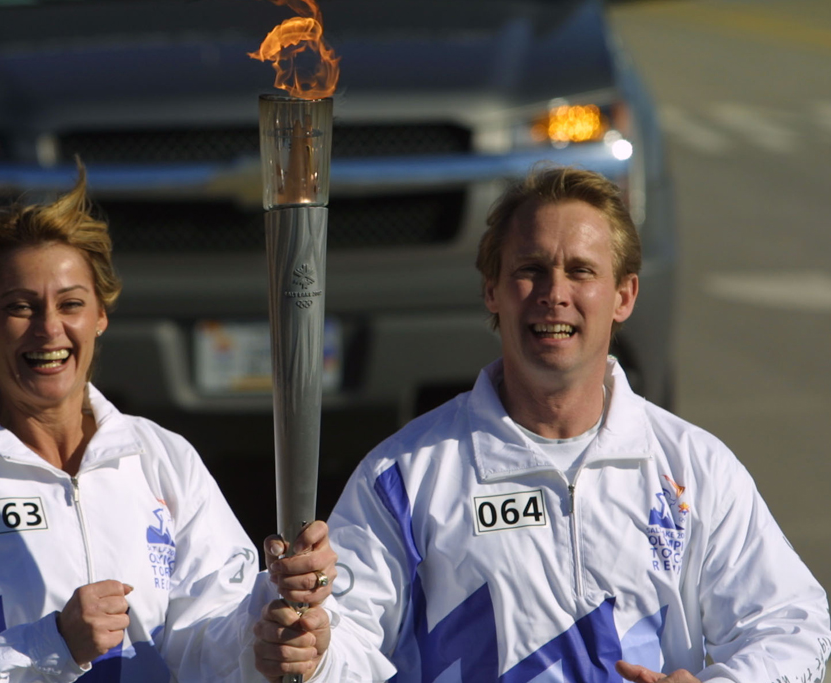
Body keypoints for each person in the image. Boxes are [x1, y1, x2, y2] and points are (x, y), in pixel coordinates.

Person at [260, 166, 831, 682]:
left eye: (581, 271)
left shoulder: (694, 469)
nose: (555, 294)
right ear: (493, 290)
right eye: (531, 270)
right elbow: (345, 638)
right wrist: (318, 649)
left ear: (624, 295)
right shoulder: (404, 475)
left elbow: (794, 626)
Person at [0, 166, 336, 683]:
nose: (49, 328)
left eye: (71, 304)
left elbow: (207, 639)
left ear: (100, 316)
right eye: (19, 307)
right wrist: (50, 643)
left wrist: (267, 622)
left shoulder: (162, 459)